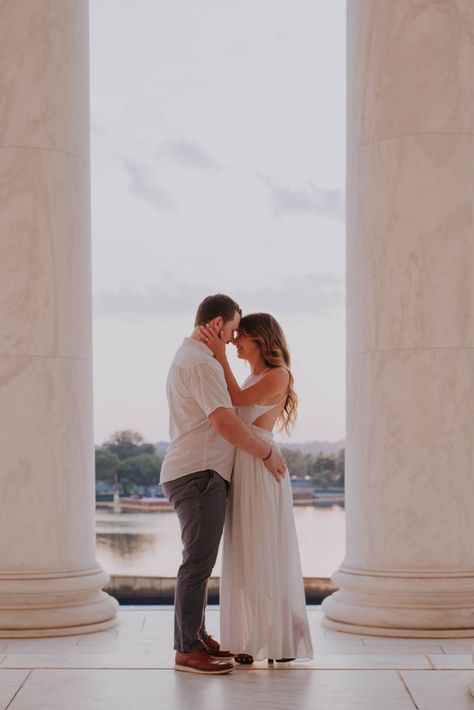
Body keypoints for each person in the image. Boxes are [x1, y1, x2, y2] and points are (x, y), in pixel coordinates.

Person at [160, 295, 287, 675]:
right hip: (199, 473)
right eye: (232, 329)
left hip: (200, 471)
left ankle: (196, 637)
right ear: (217, 324)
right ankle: (187, 649)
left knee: (199, 561)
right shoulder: (201, 363)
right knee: (197, 564)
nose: (232, 340)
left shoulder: (195, 359)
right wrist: (265, 454)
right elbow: (225, 421)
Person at [199, 312, 313, 663]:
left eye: (239, 337)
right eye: (232, 338)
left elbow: (237, 398)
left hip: (262, 468)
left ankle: (283, 640)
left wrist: (217, 354)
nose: (233, 342)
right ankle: (252, 638)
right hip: (245, 464)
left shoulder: (279, 374)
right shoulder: (254, 374)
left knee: (265, 551)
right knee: (247, 553)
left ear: (261, 340)